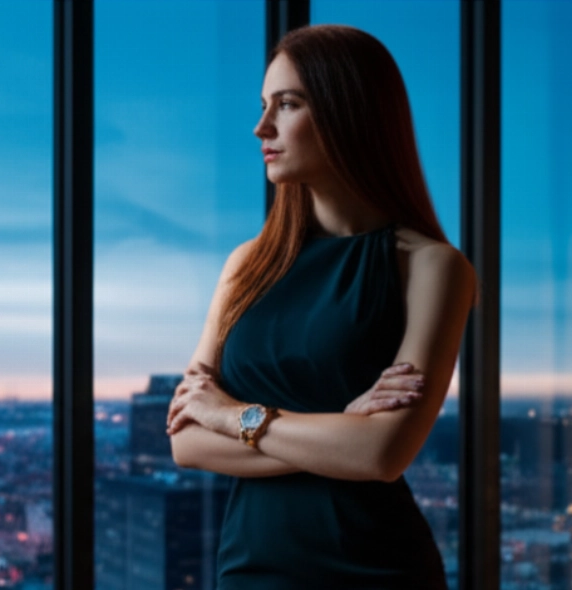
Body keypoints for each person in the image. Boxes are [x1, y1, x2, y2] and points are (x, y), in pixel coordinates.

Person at [165, 24, 476, 589]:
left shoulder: (434, 267)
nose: (262, 127)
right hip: (249, 570)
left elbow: (382, 454)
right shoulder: (246, 266)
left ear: (348, 112)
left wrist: (231, 416)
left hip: (375, 569)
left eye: (288, 105)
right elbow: (186, 441)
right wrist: (339, 433)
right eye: (264, 105)